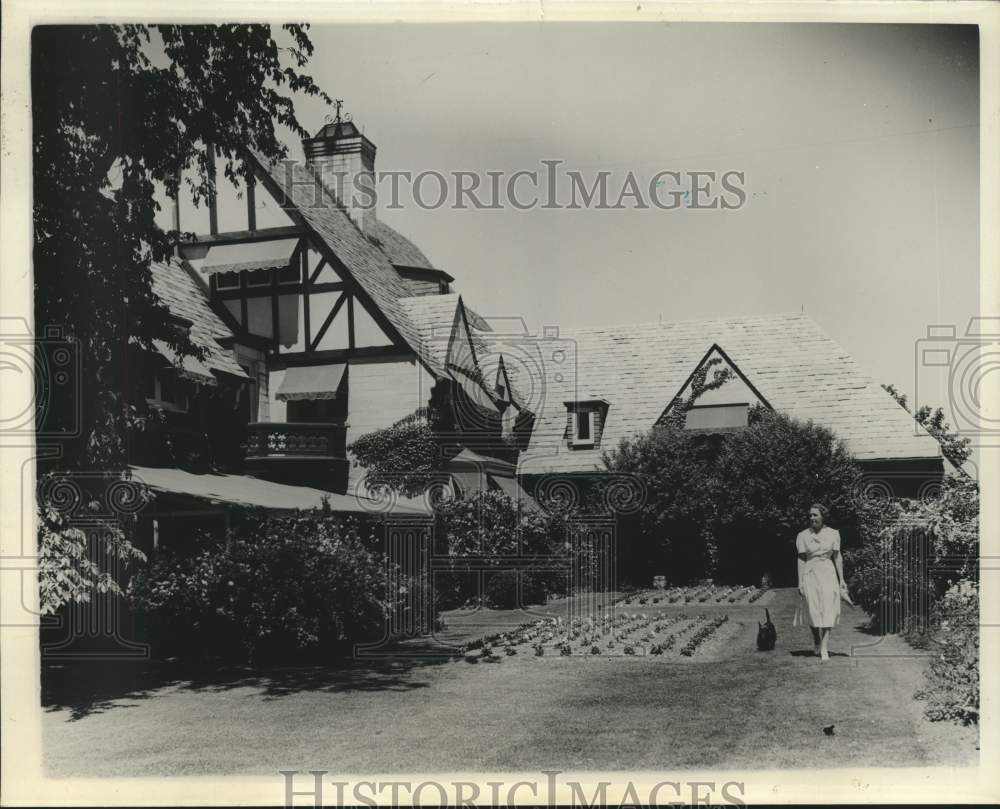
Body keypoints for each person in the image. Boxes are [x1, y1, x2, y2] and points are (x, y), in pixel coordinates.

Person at [793, 503, 849, 660]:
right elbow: (801, 559)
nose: (812, 518)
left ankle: (824, 647)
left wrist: (842, 578)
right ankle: (816, 640)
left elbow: (837, 556)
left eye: (815, 515)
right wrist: (800, 582)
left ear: (823, 516)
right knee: (813, 609)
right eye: (810, 515)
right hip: (810, 573)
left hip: (828, 572)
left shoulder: (833, 534)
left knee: (828, 609)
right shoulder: (803, 535)